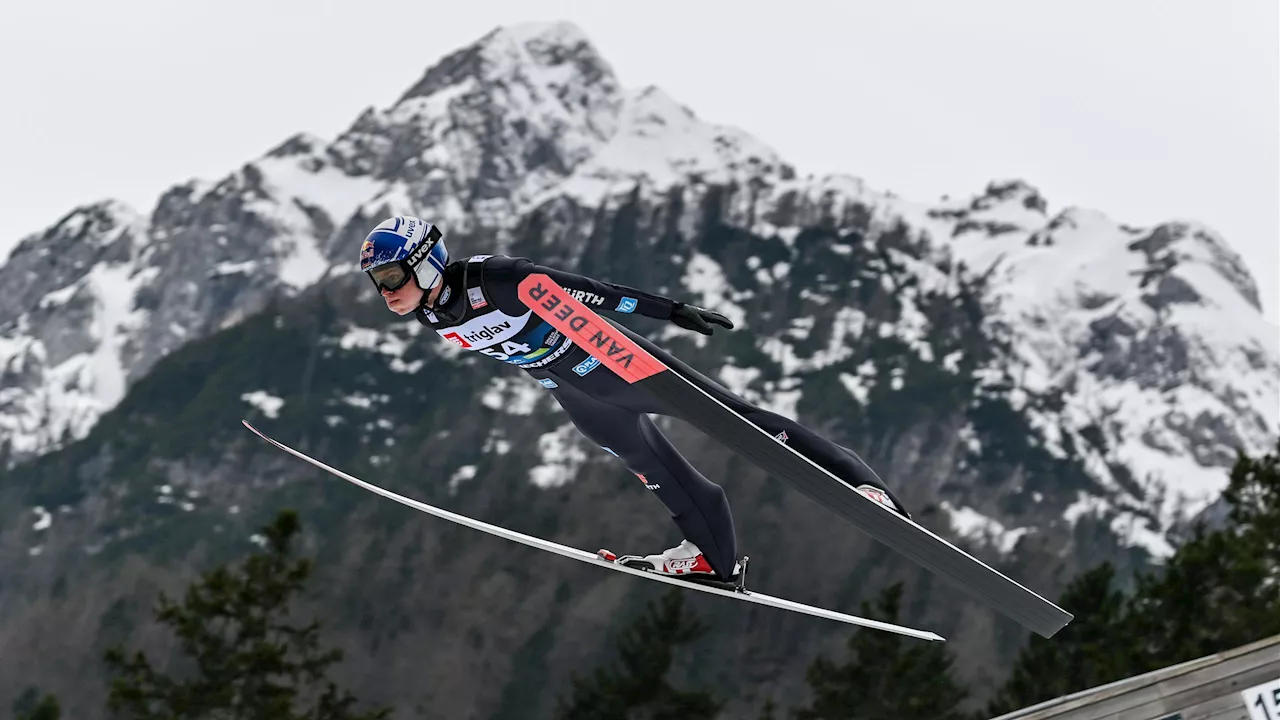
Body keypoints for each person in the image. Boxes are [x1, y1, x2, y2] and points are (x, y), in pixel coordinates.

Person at [359, 215, 908, 582]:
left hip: (618, 364)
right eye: (377, 282)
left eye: (390, 275)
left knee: (740, 423)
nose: (386, 291)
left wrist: (671, 311)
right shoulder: (430, 313)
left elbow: (592, 291)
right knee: (656, 469)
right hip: (576, 396)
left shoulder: (498, 279)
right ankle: (712, 559)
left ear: (428, 260)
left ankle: (862, 486)